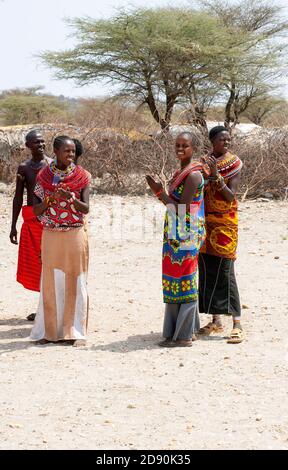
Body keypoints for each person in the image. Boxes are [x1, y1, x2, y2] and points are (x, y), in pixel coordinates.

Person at [146, 132, 208, 347]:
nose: (180, 149)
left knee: (185, 277)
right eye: (178, 145)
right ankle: (185, 330)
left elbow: (182, 209)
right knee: (175, 276)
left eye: (185, 145)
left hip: (187, 229)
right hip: (176, 230)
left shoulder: (193, 175)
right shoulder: (180, 172)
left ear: (194, 148)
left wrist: (158, 192)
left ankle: (182, 336)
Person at [30, 136, 91, 347]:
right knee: (50, 282)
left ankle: (75, 332)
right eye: (67, 151)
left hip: (74, 234)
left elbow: (86, 209)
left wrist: (71, 198)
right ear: (55, 151)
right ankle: (50, 332)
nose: (71, 155)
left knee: (76, 280)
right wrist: (49, 200)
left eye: (73, 151)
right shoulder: (43, 176)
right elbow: (36, 210)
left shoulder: (82, 176)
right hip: (51, 234)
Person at [198, 125, 244, 344]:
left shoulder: (234, 163)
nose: (226, 143)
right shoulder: (203, 162)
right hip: (204, 223)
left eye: (228, 140)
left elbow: (230, 197)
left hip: (225, 225)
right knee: (207, 269)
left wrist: (217, 177)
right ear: (212, 142)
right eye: (222, 140)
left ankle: (237, 323)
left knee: (226, 271)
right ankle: (215, 320)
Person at [9, 130, 51, 321]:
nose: (41, 145)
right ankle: (43, 307)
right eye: (36, 143)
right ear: (28, 146)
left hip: (51, 220)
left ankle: (50, 308)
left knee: (51, 263)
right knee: (36, 264)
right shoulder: (24, 168)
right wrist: (13, 225)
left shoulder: (53, 165)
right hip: (31, 221)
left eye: (43, 142)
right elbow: (18, 197)